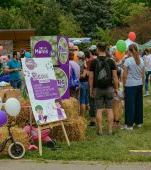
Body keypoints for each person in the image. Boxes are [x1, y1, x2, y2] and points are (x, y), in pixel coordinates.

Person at [89, 42, 118, 136]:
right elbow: (114, 77)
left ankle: (100, 130)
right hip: (109, 88)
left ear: (97, 50)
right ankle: (110, 131)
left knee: (99, 109)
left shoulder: (93, 62)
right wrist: (116, 88)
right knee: (110, 109)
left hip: (97, 89)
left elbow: (91, 78)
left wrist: (90, 89)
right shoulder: (111, 61)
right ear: (106, 49)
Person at [122, 44, 144, 130]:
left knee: (130, 105)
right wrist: (142, 84)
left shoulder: (128, 61)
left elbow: (124, 75)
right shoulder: (141, 60)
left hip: (130, 85)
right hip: (139, 84)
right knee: (138, 104)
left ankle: (129, 125)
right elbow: (142, 75)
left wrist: (124, 85)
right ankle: (138, 122)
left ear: (129, 51)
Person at [87, 45, 97, 127]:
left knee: (92, 103)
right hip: (99, 84)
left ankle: (93, 121)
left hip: (92, 84)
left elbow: (88, 74)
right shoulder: (99, 59)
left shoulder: (90, 61)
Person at [77, 51, 89, 116]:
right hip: (87, 82)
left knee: (82, 100)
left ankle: (82, 116)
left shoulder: (80, 63)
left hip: (82, 82)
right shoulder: (86, 62)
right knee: (86, 99)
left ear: (78, 57)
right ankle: (91, 115)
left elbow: (83, 75)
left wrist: (78, 76)